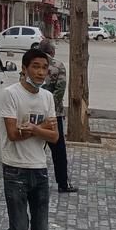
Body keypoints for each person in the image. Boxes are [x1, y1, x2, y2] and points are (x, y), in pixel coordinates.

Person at [0, 47, 61, 230]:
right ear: (24, 69)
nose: (41, 72)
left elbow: (55, 137)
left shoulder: (47, 97)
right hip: (15, 170)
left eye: (44, 68)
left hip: (39, 169)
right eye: (35, 67)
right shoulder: (11, 94)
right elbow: (13, 134)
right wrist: (42, 127)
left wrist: (35, 128)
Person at [38, 40, 77, 193]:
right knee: (58, 151)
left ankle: (34, 179)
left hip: (33, 112)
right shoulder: (58, 66)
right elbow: (60, 90)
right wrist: (49, 109)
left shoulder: (31, 63)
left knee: (34, 147)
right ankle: (62, 183)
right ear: (52, 52)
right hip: (54, 114)